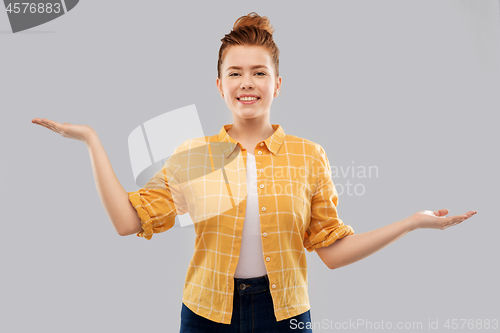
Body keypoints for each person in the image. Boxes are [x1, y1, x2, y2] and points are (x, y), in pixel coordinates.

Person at [31, 12, 477, 333]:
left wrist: (414, 222)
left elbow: (334, 252)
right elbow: (128, 223)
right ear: (220, 84)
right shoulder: (193, 155)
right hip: (206, 314)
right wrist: (91, 139)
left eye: (259, 72)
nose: (247, 82)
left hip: (284, 315)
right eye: (235, 72)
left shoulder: (308, 157)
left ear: (276, 84)